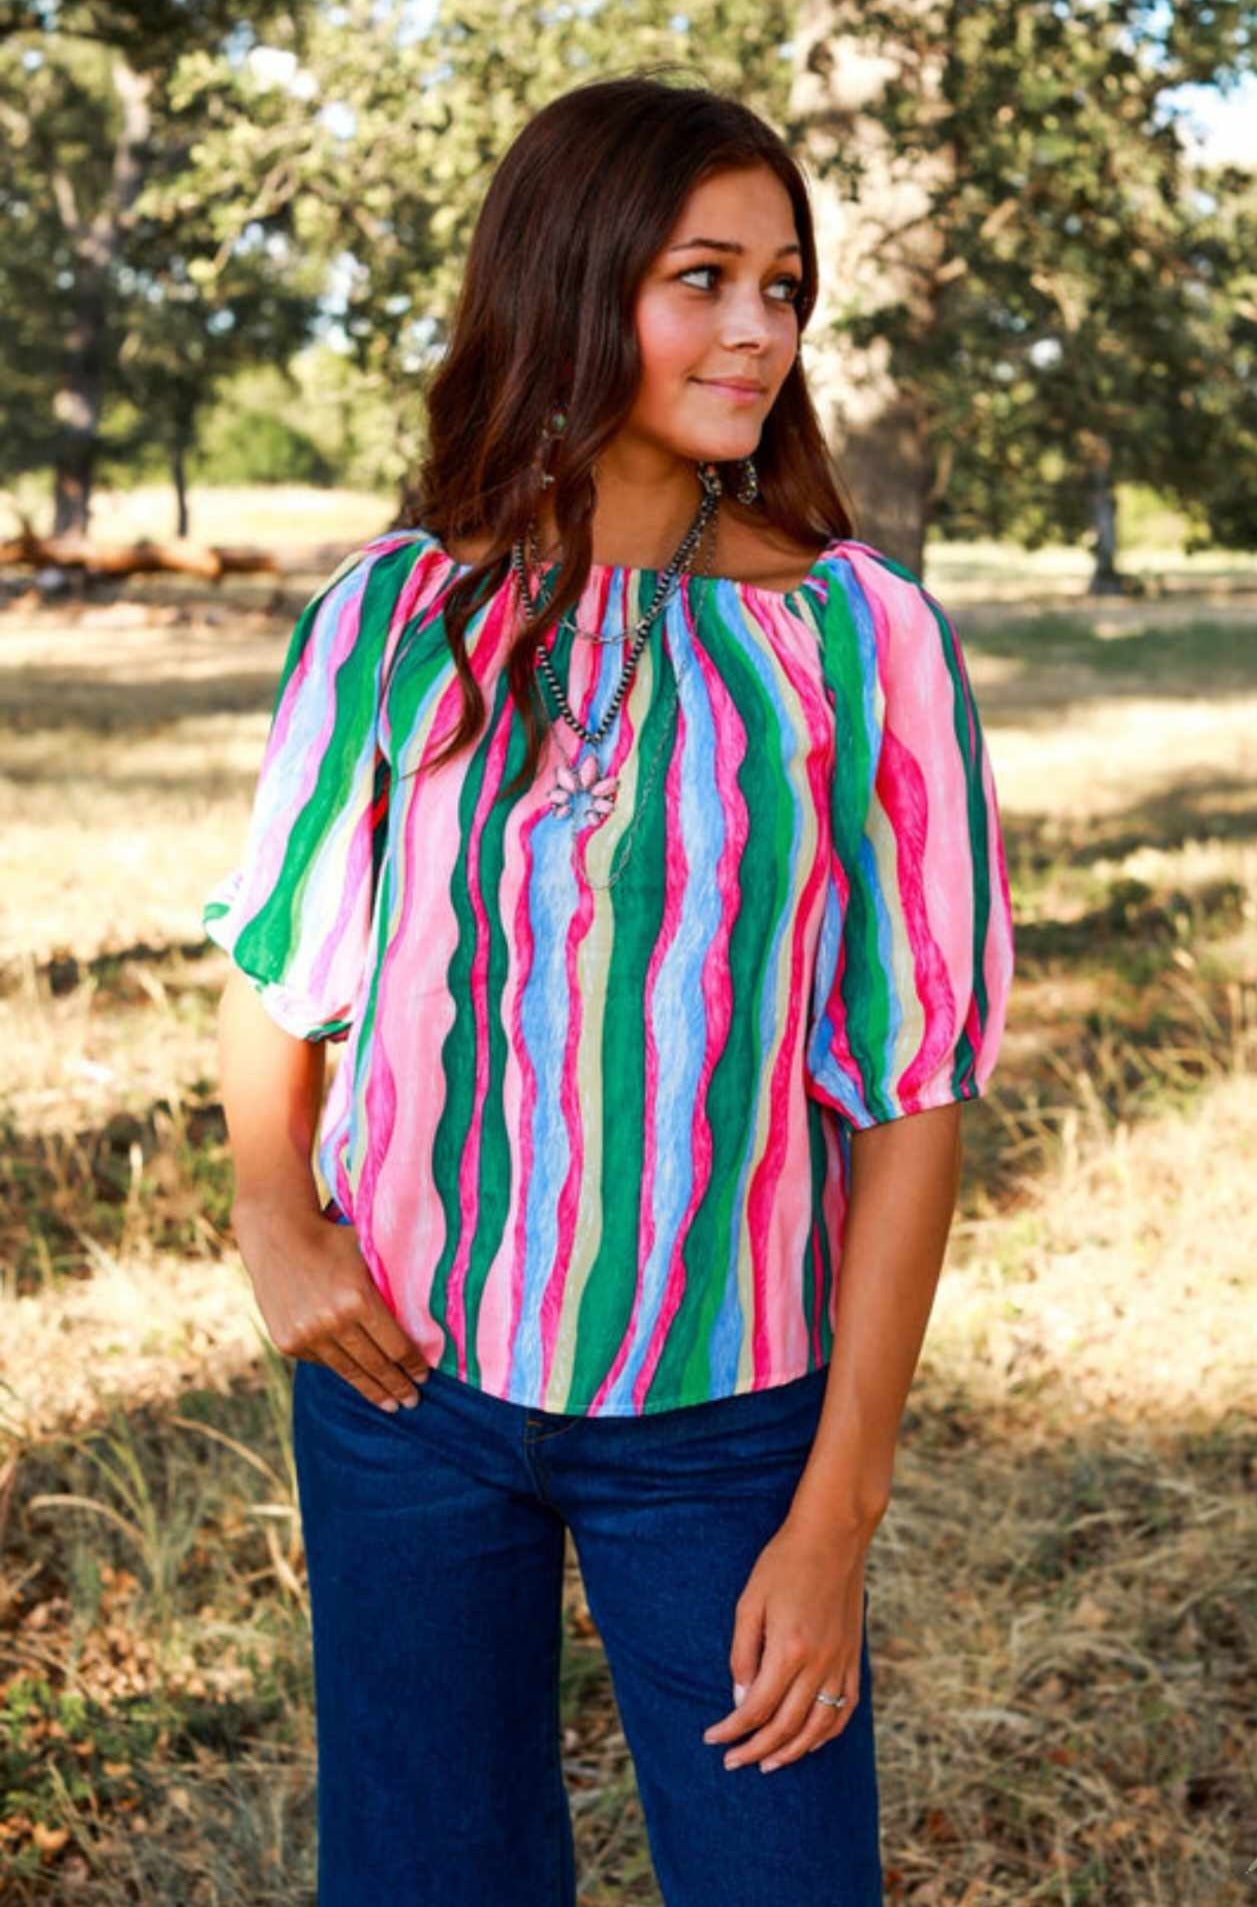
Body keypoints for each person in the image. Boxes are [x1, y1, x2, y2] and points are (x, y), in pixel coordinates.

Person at [204, 71, 1015, 1907]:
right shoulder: (399, 614)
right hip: (408, 1389)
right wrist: (272, 1214)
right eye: (700, 278)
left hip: (727, 1415)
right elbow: (283, 961)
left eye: (783, 287)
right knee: (425, 1875)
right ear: (570, 280)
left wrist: (836, 1516)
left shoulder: (859, 637)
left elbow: (912, 1088)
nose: (757, 331)